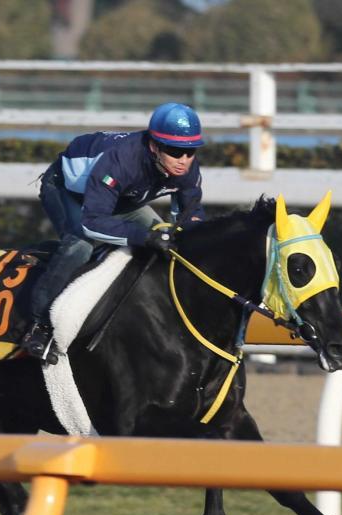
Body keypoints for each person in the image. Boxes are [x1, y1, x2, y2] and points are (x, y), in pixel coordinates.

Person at [22, 102, 207, 364]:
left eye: (190, 152)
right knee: (81, 246)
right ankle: (37, 325)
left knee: (167, 241)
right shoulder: (122, 160)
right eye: (176, 152)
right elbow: (93, 222)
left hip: (121, 198)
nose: (184, 161)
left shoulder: (187, 168)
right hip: (67, 192)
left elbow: (191, 216)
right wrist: (143, 237)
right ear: (154, 146)